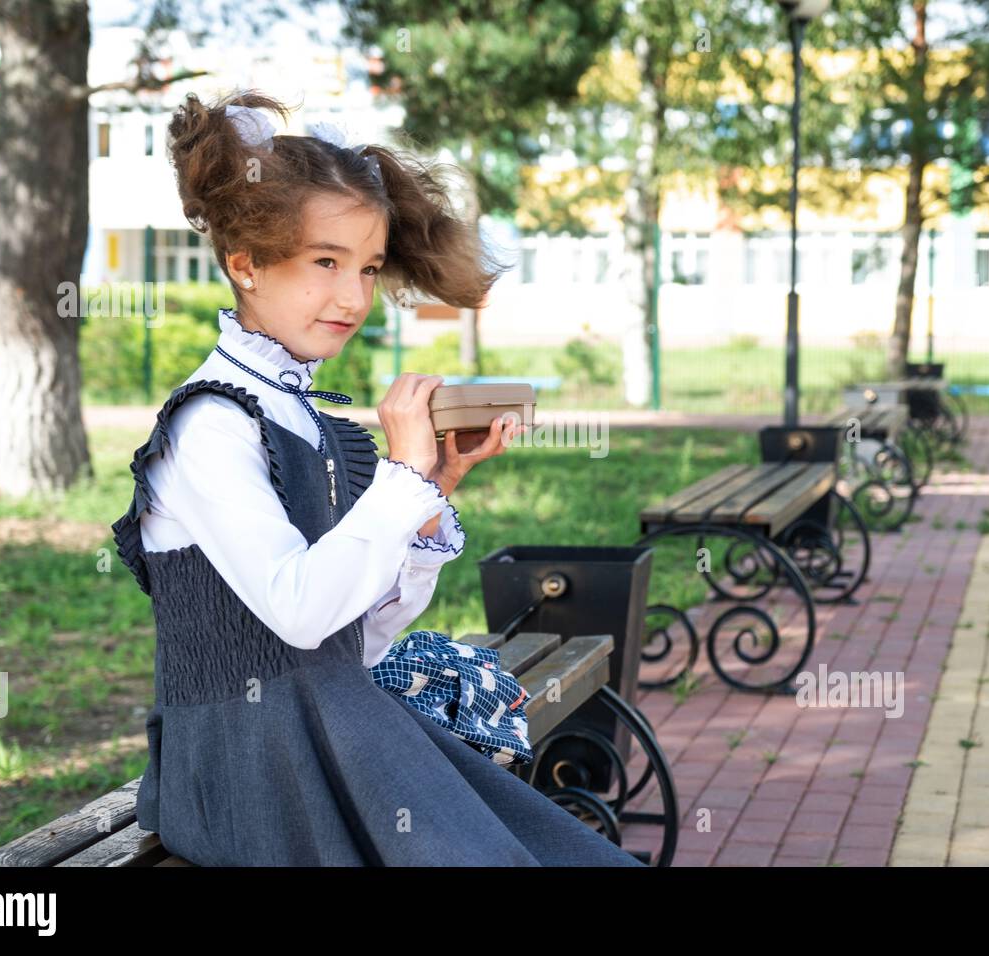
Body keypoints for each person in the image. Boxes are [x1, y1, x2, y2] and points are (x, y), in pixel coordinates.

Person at [109, 88, 646, 867]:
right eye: (324, 263)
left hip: (333, 724)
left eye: (366, 267)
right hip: (243, 765)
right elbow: (299, 613)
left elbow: (355, 642)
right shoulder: (209, 425)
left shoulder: (312, 416)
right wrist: (398, 476)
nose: (354, 297)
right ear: (246, 263)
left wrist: (429, 500)